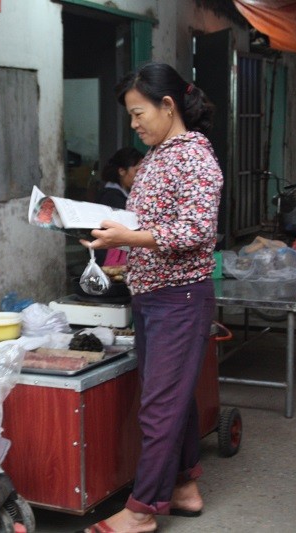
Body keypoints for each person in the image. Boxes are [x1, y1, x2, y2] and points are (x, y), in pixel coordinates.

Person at [81, 63, 222, 533]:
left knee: (159, 404)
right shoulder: (161, 154)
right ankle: (183, 486)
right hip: (154, 293)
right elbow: (151, 225)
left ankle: (142, 511)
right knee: (170, 397)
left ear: (168, 105)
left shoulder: (195, 156)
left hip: (179, 297)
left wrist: (131, 237)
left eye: (140, 113)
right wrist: (119, 245)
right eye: (131, 117)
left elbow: (195, 230)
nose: (135, 124)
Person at [94, 147, 144, 265]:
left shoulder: (118, 193)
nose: (141, 177)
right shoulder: (112, 197)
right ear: (122, 171)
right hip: (109, 259)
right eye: (137, 171)